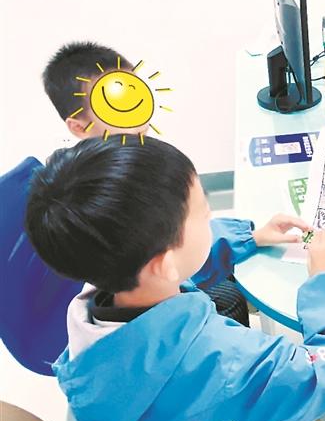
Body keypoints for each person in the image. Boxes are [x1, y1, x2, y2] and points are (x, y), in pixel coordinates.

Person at [24, 136, 325, 421]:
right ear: (165, 263)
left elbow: (165, 269)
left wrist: (248, 237)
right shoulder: (232, 361)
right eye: (204, 214)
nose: (210, 218)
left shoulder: (93, 309)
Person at [42, 41, 253, 325]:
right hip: (152, 304)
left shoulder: (133, 161)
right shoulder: (108, 195)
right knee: (228, 294)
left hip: (159, 278)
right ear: (79, 127)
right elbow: (161, 266)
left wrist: (248, 236)